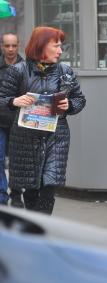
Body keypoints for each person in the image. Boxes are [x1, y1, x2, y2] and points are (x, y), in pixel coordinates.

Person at [0, 27, 86, 214]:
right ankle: (34, 230)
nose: (60, 51)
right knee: (31, 189)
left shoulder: (65, 71)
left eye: (61, 46)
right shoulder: (18, 71)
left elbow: (80, 100)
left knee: (49, 186)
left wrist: (69, 105)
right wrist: (14, 101)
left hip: (57, 137)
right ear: (41, 47)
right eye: (56, 46)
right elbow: (2, 98)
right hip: (25, 139)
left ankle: (42, 228)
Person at [0, 33, 24, 206]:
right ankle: (2, 195)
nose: (10, 49)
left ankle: (16, 193)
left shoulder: (26, 67)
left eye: (13, 45)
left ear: (18, 45)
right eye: (7, 45)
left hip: (18, 122)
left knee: (17, 160)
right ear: (2, 46)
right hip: (0, 121)